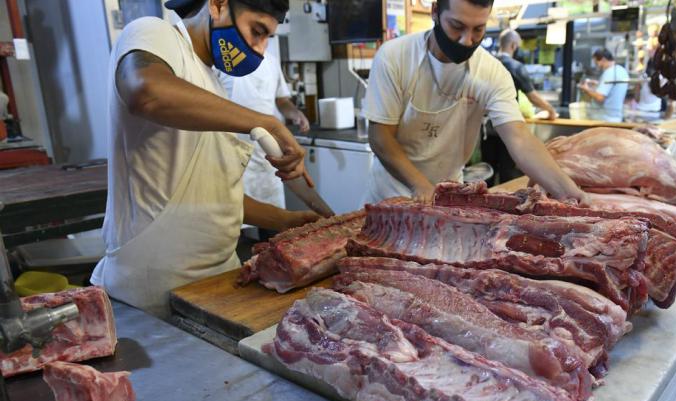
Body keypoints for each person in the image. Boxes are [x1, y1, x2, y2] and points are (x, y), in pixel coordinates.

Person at [91, 0, 318, 318]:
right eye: (257, 32)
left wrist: (286, 221)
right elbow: (146, 92)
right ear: (218, 4)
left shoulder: (212, 85)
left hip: (216, 286)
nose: (260, 49)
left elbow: (211, 194)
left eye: (267, 38)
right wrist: (266, 122)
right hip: (154, 292)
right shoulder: (155, 33)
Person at [363, 0, 588, 204]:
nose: (466, 40)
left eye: (478, 29)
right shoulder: (395, 57)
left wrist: (569, 191)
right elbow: (380, 136)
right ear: (435, 12)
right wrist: (419, 185)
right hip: (390, 194)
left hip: (446, 194)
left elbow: (519, 138)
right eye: (457, 27)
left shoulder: (492, 73)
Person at [220, 39, 310, 213]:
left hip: (269, 153)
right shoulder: (224, 61)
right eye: (257, 31)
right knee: (235, 219)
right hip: (232, 153)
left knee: (272, 222)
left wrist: (295, 114)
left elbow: (281, 100)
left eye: (267, 34)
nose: (262, 40)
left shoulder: (271, 61)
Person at [496, 29, 557, 120]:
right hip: (506, 121)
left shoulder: (488, 63)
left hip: (485, 121)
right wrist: (551, 110)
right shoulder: (516, 67)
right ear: (513, 45)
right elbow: (533, 97)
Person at [578, 48, 629, 123]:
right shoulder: (621, 70)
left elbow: (600, 97)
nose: (597, 66)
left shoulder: (609, 73)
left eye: (597, 62)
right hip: (615, 118)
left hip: (604, 119)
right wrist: (598, 83)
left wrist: (586, 89)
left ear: (603, 59)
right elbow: (613, 88)